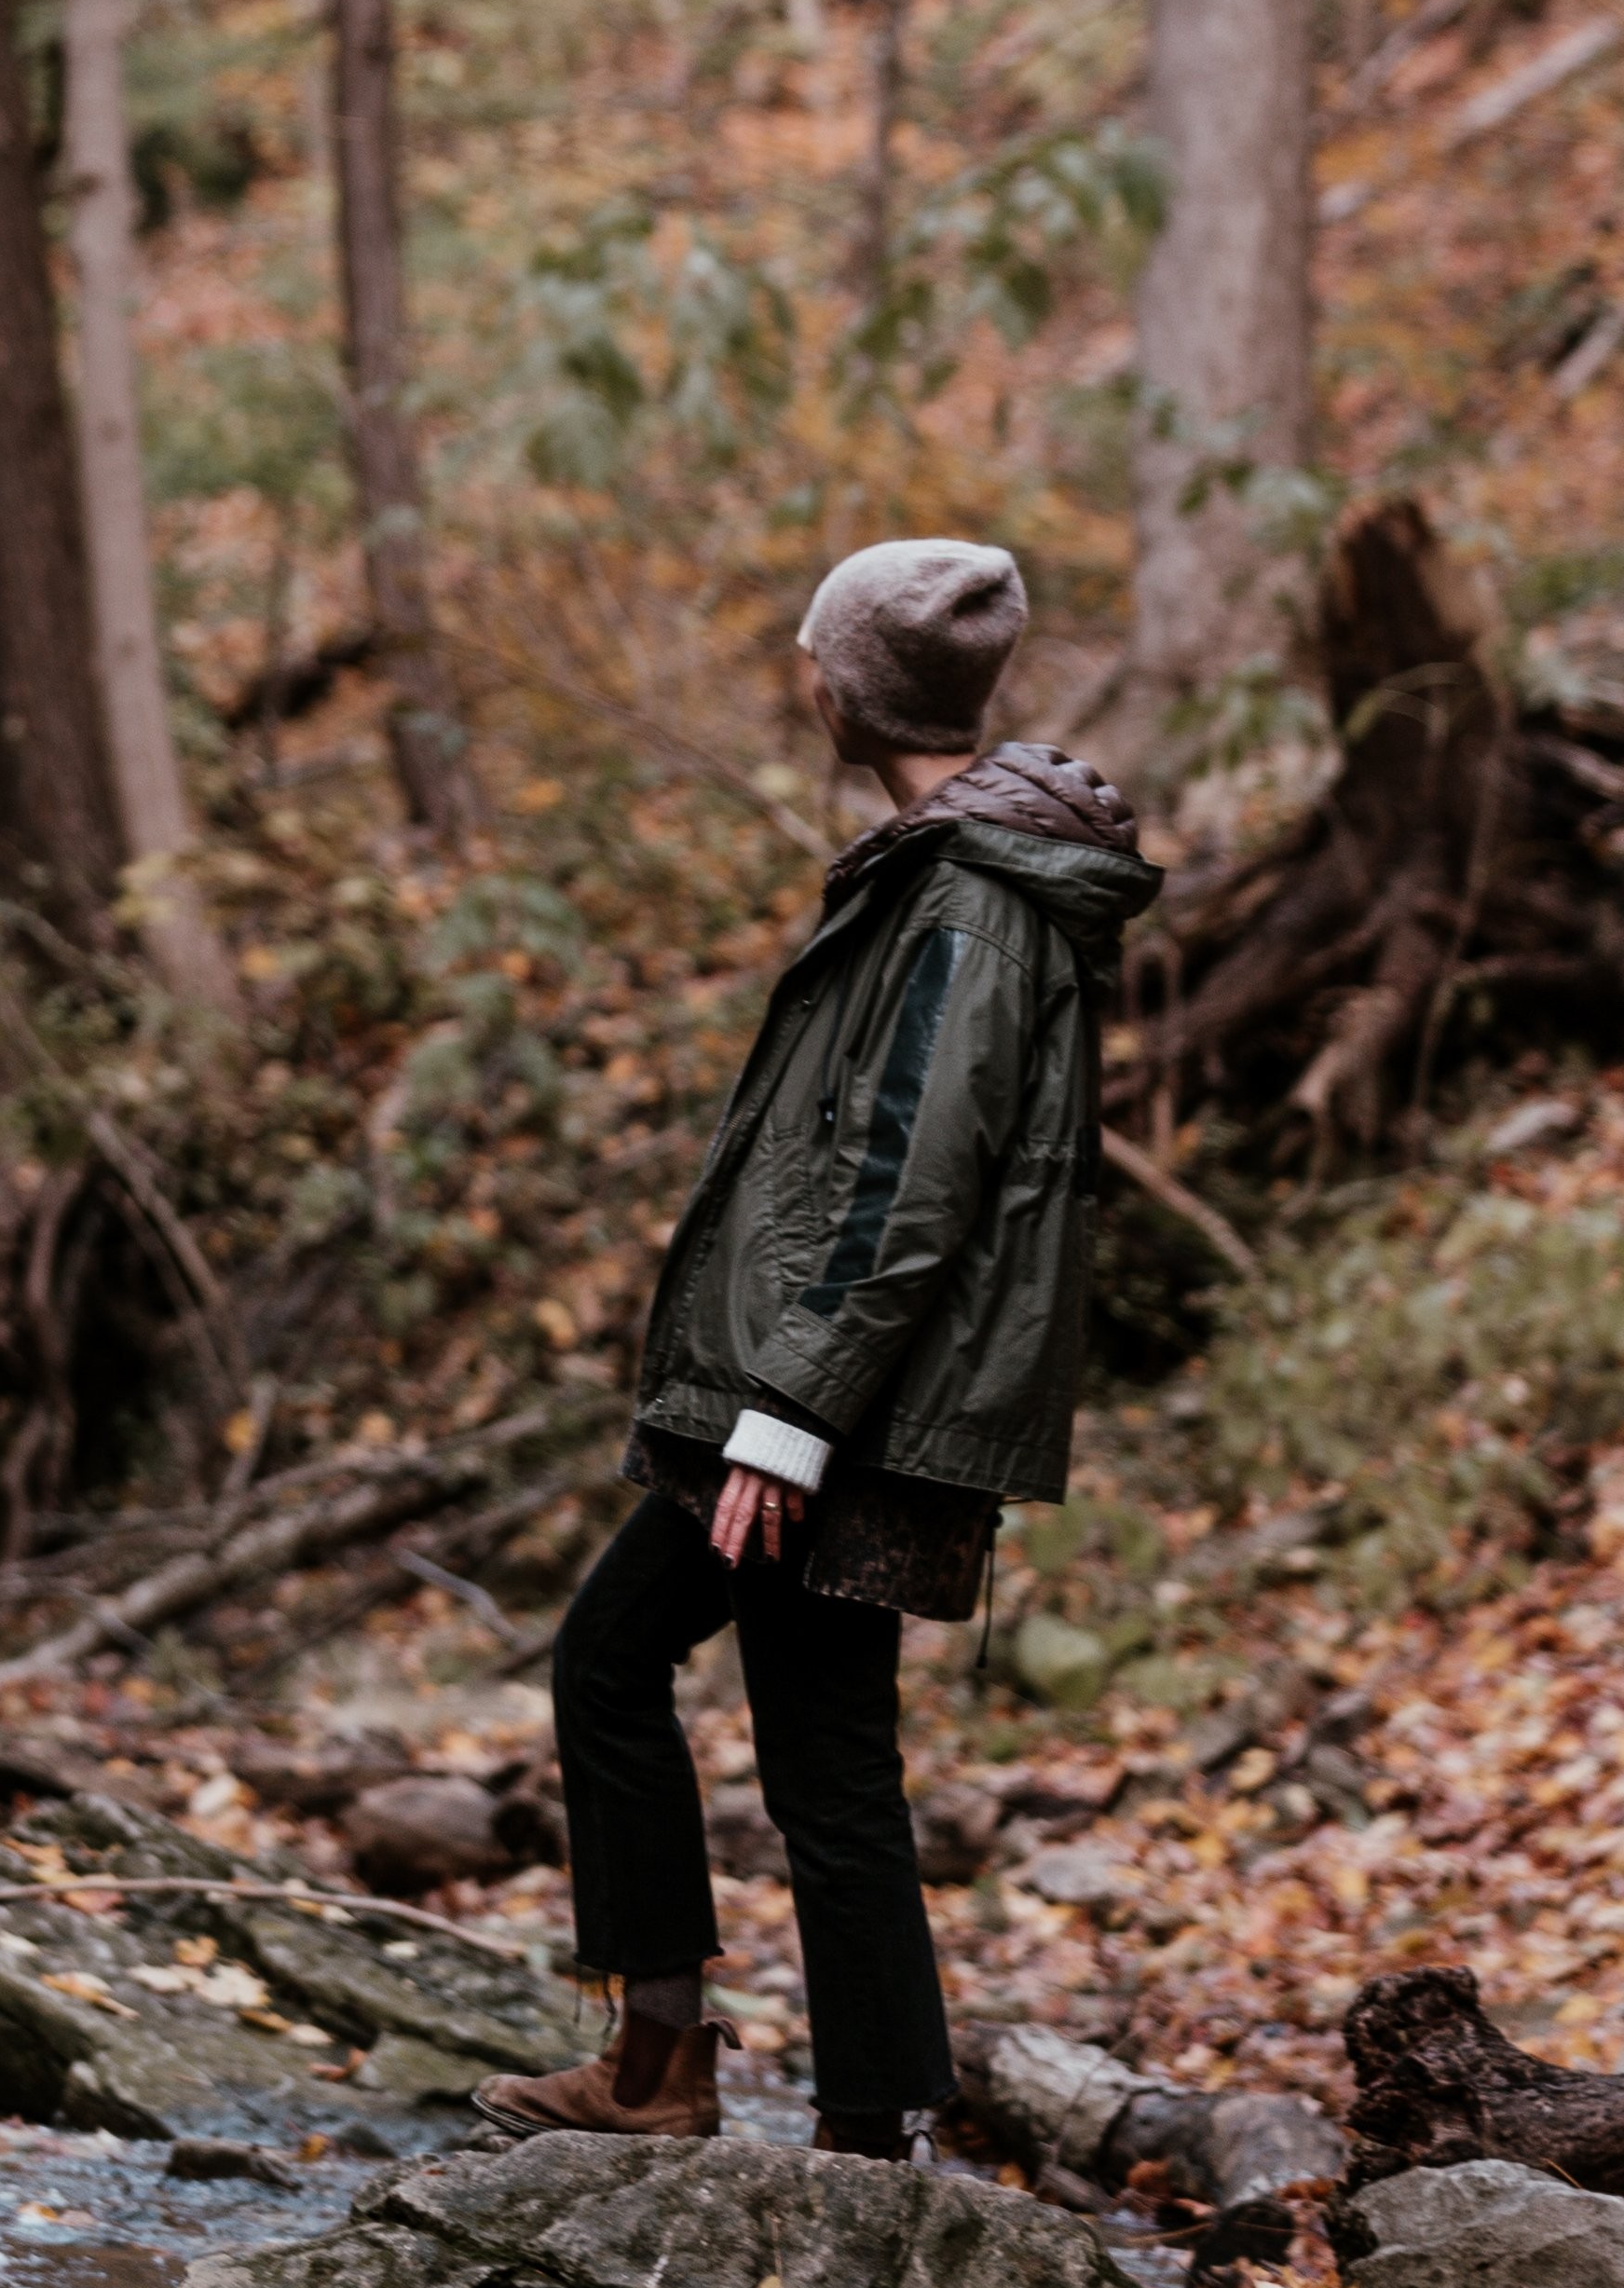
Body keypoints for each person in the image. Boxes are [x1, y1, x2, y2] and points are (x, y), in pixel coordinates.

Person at [473, 538, 1159, 2156]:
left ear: (851, 687)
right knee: (815, 1752)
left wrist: (785, 1416)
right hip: (852, 1397)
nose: (799, 680)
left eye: (811, 659)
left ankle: (710, 2084)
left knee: (633, 1668)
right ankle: (828, 2121)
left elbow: (909, 1188)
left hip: (839, 1406)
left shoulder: (973, 902)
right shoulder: (945, 870)